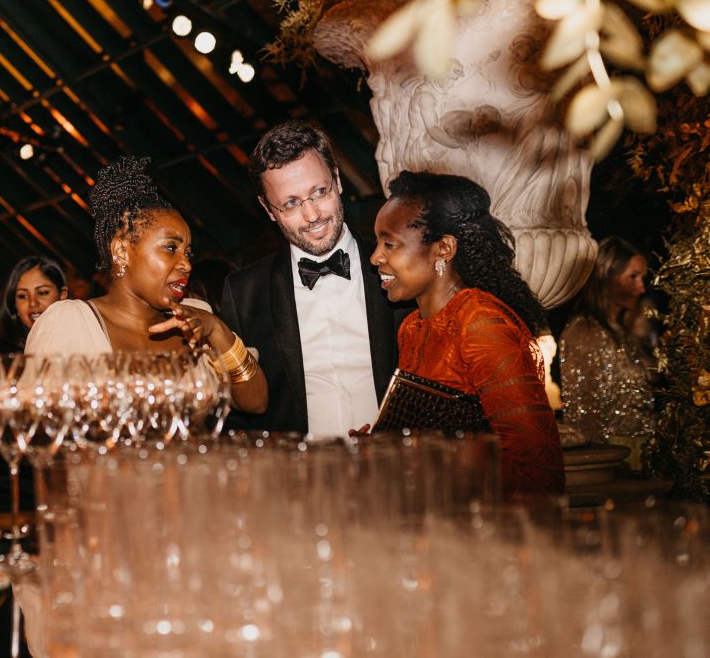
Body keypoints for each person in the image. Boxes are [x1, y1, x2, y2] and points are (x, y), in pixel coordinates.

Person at [369, 170, 564, 495]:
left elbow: (540, 472)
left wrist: (419, 460)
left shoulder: (480, 323)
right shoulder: (412, 329)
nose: (376, 257)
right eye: (378, 243)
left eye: (390, 243)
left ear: (444, 249)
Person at [26, 155, 268, 415]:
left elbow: (256, 403)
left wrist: (218, 331)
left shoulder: (196, 318)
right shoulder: (71, 322)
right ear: (121, 251)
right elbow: (38, 426)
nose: (186, 264)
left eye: (188, 253)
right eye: (170, 248)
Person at [220, 121, 406, 440]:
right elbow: (238, 414)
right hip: (299, 481)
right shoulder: (244, 294)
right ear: (268, 209)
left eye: (320, 192)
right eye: (291, 203)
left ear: (337, 180)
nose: (312, 215)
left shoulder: (401, 270)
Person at [559, 237, 656, 470]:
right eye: (632, 277)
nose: (641, 288)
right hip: (616, 459)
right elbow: (584, 412)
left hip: (640, 454)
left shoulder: (621, 330)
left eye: (642, 278)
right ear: (605, 277)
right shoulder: (585, 331)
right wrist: (601, 465)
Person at [0, 256, 68, 355]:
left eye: (42, 293)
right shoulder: (3, 357)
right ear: (14, 304)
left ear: (62, 295)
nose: (32, 303)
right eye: (23, 296)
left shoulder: (80, 341)